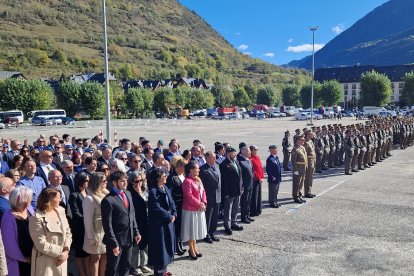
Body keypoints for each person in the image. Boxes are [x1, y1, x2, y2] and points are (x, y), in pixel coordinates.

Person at [101, 171, 141, 276]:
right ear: (114, 183)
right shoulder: (108, 200)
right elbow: (107, 225)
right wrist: (113, 243)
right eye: (122, 181)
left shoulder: (128, 194)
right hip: (116, 241)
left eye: (126, 181)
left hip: (129, 238)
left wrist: (136, 231)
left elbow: (132, 214)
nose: (125, 183)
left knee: (126, 266)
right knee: (113, 268)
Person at [29, 188, 72, 276]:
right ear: (49, 199)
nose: (61, 200)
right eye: (58, 197)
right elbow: (41, 244)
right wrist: (61, 253)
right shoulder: (36, 218)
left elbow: (68, 232)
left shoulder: (61, 211)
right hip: (46, 261)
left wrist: (66, 250)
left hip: (62, 258)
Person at [147, 168, 176, 275]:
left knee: (167, 248)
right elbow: (156, 208)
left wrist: (174, 214)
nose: (166, 177)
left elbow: (172, 203)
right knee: (160, 251)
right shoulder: (153, 191)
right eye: (164, 176)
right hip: (158, 225)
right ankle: (159, 272)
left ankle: (165, 271)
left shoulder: (165, 188)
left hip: (168, 223)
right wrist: (169, 216)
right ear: (158, 178)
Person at [1, 186, 34, 275]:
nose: (31, 199)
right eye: (28, 198)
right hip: (19, 261)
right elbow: (9, 244)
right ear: (19, 199)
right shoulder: (8, 217)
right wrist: (24, 259)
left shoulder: (29, 210)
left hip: (33, 257)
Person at [83, 172, 109, 276]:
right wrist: (91, 237)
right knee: (95, 258)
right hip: (95, 232)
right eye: (104, 181)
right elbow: (87, 220)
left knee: (104, 256)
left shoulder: (105, 194)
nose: (106, 182)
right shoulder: (89, 199)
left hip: (105, 231)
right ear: (97, 182)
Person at [181, 161, 207, 260]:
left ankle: (195, 248)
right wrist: (199, 203)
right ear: (191, 170)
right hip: (190, 210)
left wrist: (204, 202)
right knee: (191, 230)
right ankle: (191, 249)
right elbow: (188, 196)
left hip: (199, 208)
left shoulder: (198, 179)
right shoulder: (187, 181)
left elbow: (203, 191)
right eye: (197, 168)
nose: (199, 169)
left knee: (195, 230)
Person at [128, 171, 152, 276]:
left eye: (141, 180)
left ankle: (143, 264)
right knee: (136, 246)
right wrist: (138, 193)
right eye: (136, 181)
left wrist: (140, 192)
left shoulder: (143, 190)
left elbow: (147, 203)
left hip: (144, 221)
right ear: (131, 182)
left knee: (144, 243)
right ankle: (134, 267)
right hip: (135, 222)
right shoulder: (129, 192)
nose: (139, 183)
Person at [68, 172, 90, 276]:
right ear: (80, 181)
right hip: (79, 227)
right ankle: (82, 273)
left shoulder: (89, 192)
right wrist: (88, 219)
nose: (88, 182)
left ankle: (88, 272)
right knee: (80, 252)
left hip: (89, 227)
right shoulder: (74, 195)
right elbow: (76, 213)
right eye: (86, 180)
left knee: (87, 252)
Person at [220, 147, 243, 235]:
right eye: (234, 153)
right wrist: (226, 193)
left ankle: (234, 223)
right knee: (228, 209)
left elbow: (240, 176)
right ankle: (227, 226)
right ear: (229, 153)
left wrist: (242, 187)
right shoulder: (224, 164)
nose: (235, 154)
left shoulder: (236, 162)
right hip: (229, 192)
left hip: (238, 190)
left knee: (235, 208)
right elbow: (224, 181)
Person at [166, 157, 187, 255]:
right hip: (177, 205)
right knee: (177, 226)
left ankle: (181, 243)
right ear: (178, 166)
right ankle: (176, 246)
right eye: (183, 166)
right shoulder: (172, 177)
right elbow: (169, 193)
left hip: (184, 204)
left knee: (182, 225)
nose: (184, 168)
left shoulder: (184, 175)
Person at [199, 151, 221, 243]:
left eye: (215, 157)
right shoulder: (203, 169)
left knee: (215, 217)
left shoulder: (217, 166)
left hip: (218, 196)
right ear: (207, 158)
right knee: (208, 217)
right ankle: (206, 234)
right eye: (213, 157)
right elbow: (201, 186)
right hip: (209, 197)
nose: (215, 159)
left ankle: (212, 232)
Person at [237, 146, 254, 223]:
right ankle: (243, 217)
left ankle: (247, 215)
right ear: (243, 152)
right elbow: (241, 176)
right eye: (248, 151)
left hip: (250, 184)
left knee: (248, 201)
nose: (250, 152)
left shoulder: (248, 160)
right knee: (244, 201)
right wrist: (242, 185)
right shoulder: (241, 162)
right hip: (245, 185)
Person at [291, 135, 308, 204]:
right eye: (302, 140)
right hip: (298, 168)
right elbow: (293, 161)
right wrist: (295, 170)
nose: (303, 141)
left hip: (303, 168)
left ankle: (300, 195)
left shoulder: (302, 148)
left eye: (303, 140)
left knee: (301, 183)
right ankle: (296, 197)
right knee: (296, 184)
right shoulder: (295, 149)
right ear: (298, 141)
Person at [249, 145, 264, 217]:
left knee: (259, 196)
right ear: (251, 150)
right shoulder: (250, 159)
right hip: (255, 179)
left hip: (259, 179)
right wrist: (258, 177)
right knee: (254, 196)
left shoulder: (257, 157)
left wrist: (262, 177)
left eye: (257, 149)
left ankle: (258, 209)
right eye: (255, 149)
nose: (256, 151)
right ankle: (253, 211)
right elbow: (253, 171)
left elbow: (260, 168)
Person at [304, 130, 317, 198]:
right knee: (308, 177)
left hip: (313, 160)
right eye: (311, 134)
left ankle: (309, 191)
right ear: (307, 135)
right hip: (309, 161)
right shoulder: (305, 142)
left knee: (311, 177)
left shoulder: (311, 141)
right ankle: (307, 192)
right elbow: (305, 154)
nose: (313, 135)